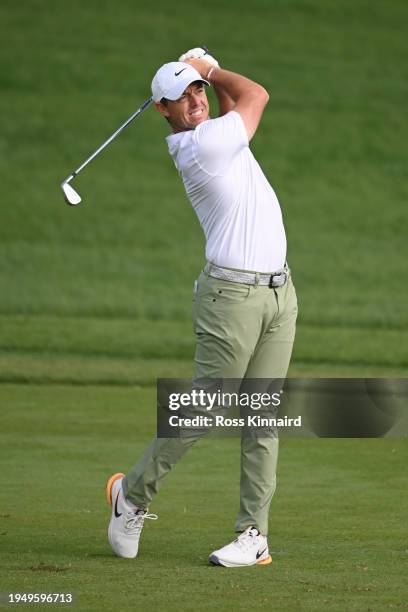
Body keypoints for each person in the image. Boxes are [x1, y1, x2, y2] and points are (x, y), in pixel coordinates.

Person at [106, 49, 298, 568]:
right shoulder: (202, 146)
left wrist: (208, 80)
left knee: (262, 417)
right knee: (205, 408)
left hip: (279, 293)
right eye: (179, 97)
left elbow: (237, 105)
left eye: (196, 90)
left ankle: (253, 535)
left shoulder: (220, 129)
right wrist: (211, 69)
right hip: (230, 297)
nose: (193, 101)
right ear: (160, 110)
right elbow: (255, 95)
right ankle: (133, 496)